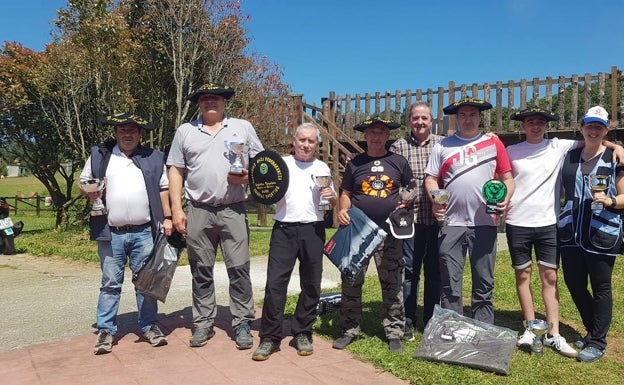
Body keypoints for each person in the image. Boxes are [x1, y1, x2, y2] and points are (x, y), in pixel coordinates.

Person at [167, 83, 263, 350]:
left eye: (216, 98)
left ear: (224, 102)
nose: (211, 102)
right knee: (201, 270)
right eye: (205, 98)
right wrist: (176, 209)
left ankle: (242, 322)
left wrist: (248, 176)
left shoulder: (242, 127)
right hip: (198, 210)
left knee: (239, 269)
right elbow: (175, 170)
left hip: (233, 209)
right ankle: (203, 323)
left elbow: (260, 163)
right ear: (199, 103)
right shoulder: (185, 132)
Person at [81, 113, 172, 355]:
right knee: (110, 283)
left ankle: (149, 325)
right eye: (123, 130)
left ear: (140, 134)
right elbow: (85, 181)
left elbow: (164, 189)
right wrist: (90, 192)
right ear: (116, 133)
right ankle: (106, 329)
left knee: (147, 282)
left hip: (144, 232)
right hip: (111, 233)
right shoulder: (100, 155)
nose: (127, 134)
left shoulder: (153, 157)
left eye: (133, 130)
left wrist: (168, 218)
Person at [424, 98, 514, 325]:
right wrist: (436, 199)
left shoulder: (493, 144)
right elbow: (431, 178)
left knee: (484, 282)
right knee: (450, 283)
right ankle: (452, 329)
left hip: (484, 222)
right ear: (457, 118)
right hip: (451, 222)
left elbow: (507, 179)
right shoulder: (443, 145)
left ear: (479, 116)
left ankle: (483, 329)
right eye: (463, 115)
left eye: (472, 114)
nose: (468, 119)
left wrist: (505, 197)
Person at [251, 123, 337, 361]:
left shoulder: (322, 168)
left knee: (311, 284)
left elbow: (330, 202)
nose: (306, 145)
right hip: (284, 229)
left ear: (317, 145)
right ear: (294, 141)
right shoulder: (281, 164)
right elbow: (265, 191)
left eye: (311, 141)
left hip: (313, 230)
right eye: (302, 140)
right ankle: (270, 337)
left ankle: (302, 332)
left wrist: (332, 197)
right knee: (275, 284)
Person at [332, 117, 413, 353]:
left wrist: (408, 198)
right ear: (365, 136)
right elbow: (346, 192)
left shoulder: (398, 161)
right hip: (358, 232)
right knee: (351, 280)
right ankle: (349, 328)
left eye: (381, 132)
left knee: (392, 283)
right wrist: (343, 209)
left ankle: (394, 332)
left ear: (387, 136)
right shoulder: (355, 163)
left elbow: (410, 189)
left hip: (389, 232)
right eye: (372, 132)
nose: (376, 136)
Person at [558, 106, 623, 363]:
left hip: (601, 231)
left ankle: (598, 341)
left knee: (601, 287)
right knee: (574, 284)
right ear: (582, 127)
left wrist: (610, 201)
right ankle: (592, 329)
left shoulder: (614, 158)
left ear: (605, 130)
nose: (593, 130)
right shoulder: (570, 156)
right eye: (589, 125)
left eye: (599, 127)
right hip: (571, 232)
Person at [389, 102, 441, 340]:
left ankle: (431, 318)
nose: (420, 122)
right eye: (416, 118)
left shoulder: (443, 144)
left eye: (425, 118)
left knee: (435, 272)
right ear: (409, 121)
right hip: (410, 220)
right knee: (410, 271)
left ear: (432, 121)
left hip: (438, 219)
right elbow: (391, 177)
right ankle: (408, 319)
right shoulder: (399, 146)